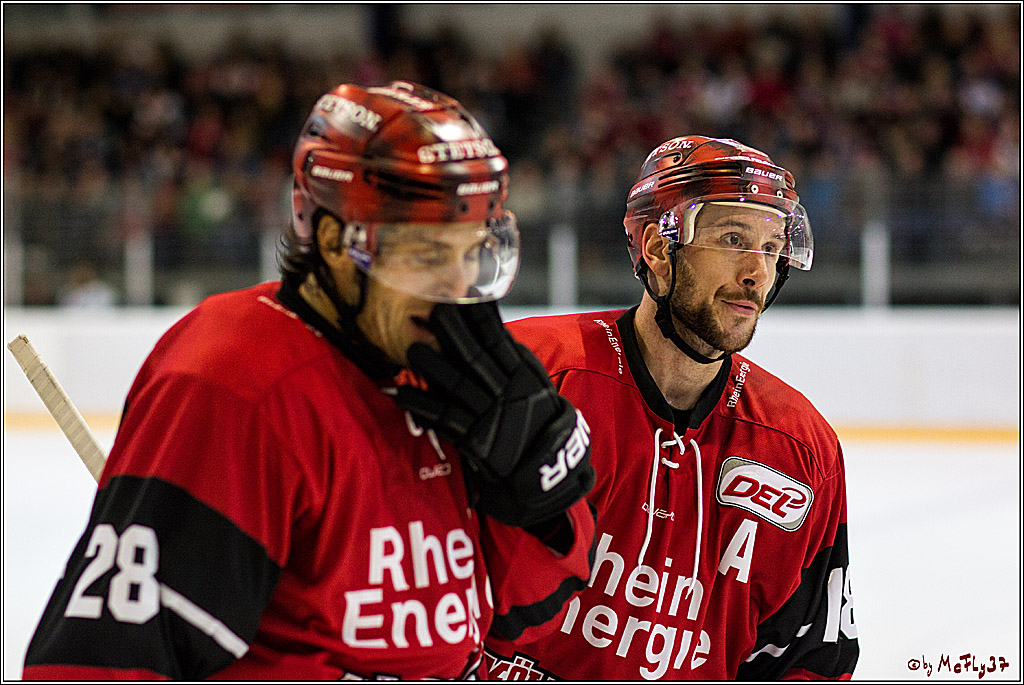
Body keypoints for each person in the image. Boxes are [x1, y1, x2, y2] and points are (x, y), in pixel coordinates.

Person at [22, 81, 597, 680]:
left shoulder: (442, 377)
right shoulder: (234, 381)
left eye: (475, 253)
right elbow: (107, 661)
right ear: (334, 243)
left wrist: (540, 498)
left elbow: (519, 612)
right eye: (427, 255)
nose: (458, 292)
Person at [481, 136, 859, 680]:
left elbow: (810, 660)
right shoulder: (534, 377)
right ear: (658, 251)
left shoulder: (800, 447)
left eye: (773, 245)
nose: (758, 271)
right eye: (733, 238)